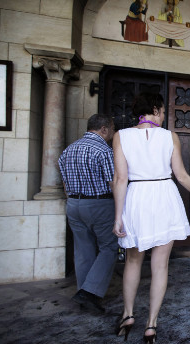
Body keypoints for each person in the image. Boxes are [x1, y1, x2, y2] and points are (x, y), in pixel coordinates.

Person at [112, 93, 190, 343]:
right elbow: (181, 176)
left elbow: (120, 179)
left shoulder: (121, 136)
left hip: (137, 197)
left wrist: (118, 217)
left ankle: (128, 315)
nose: (164, 117)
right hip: (164, 197)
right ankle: (151, 324)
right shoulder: (169, 136)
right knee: (160, 265)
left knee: (132, 261)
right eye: (163, 112)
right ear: (155, 109)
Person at [58, 114, 117, 314]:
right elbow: (113, 183)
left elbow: (65, 184)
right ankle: (89, 292)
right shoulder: (103, 150)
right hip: (99, 204)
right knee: (109, 247)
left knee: (83, 251)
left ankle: (84, 296)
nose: (112, 134)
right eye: (112, 129)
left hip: (74, 204)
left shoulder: (68, 150)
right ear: (104, 129)